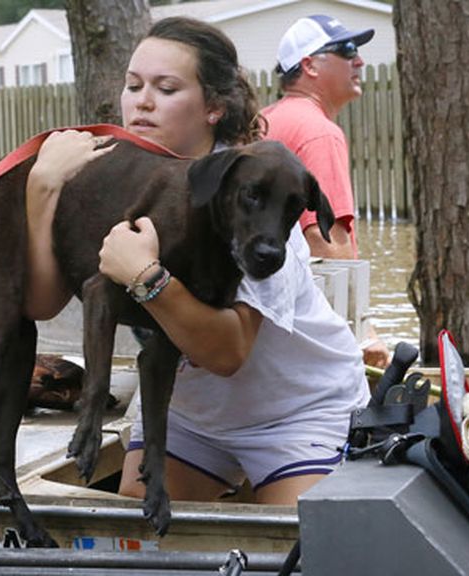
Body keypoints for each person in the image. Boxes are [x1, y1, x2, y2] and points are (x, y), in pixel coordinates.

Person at [24, 17, 369, 505]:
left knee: (299, 543)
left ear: (213, 108)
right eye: (132, 85)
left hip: (296, 410)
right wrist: (43, 187)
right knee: (140, 540)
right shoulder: (116, 177)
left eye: (166, 88)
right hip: (189, 414)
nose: (142, 101)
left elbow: (227, 353)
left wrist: (147, 277)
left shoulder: (256, 193)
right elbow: (41, 303)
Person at [262, 14, 390, 368]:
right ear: (309, 66)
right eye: (347, 50)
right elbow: (325, 246)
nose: (359, 60)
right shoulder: (318, 132)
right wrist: (363, 334)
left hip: (262, 322)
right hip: (304, 333)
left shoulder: (265, 119)